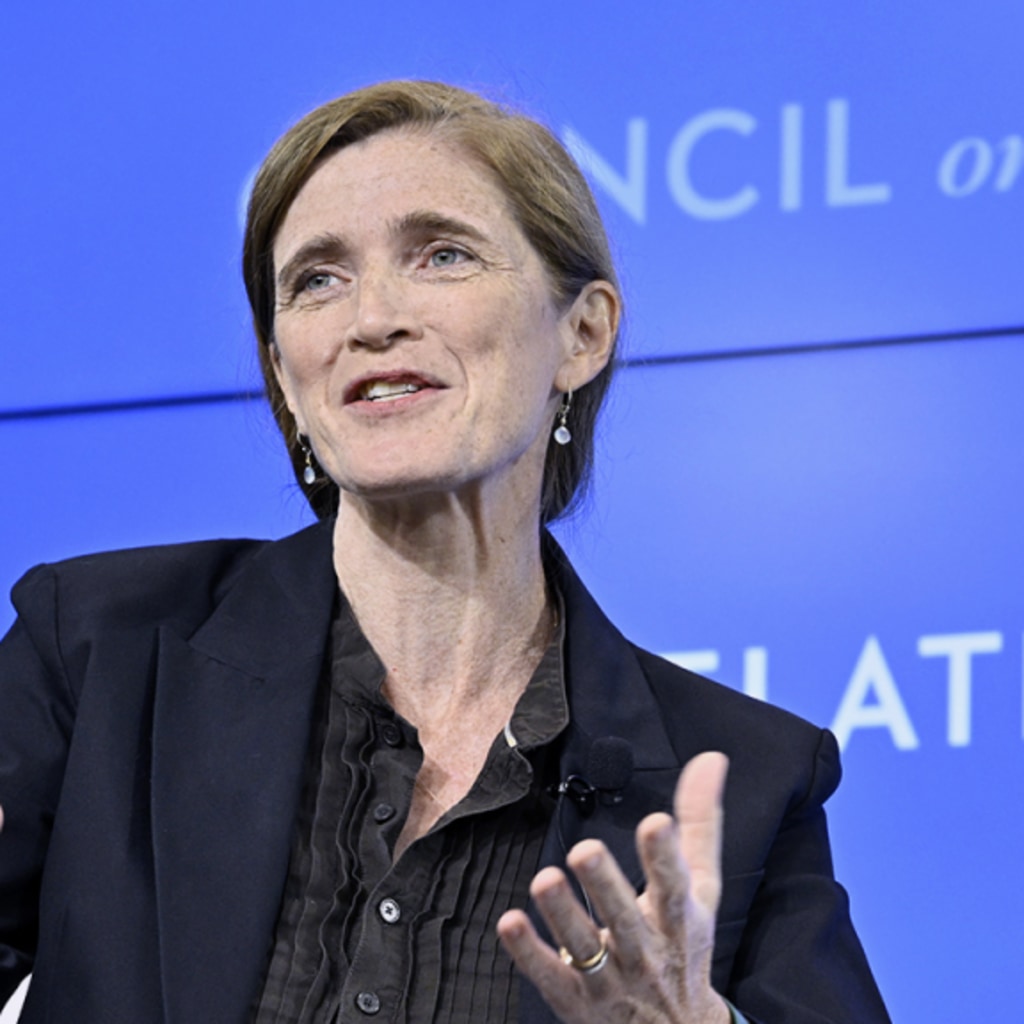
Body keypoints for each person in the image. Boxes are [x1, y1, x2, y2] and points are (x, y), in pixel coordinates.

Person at [0, 81, 890, 1024]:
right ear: (284, 376)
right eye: (317, 279)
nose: (371, 318)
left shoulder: (743, 783)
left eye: (442, 255)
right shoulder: (102, 654)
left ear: (583, 333)